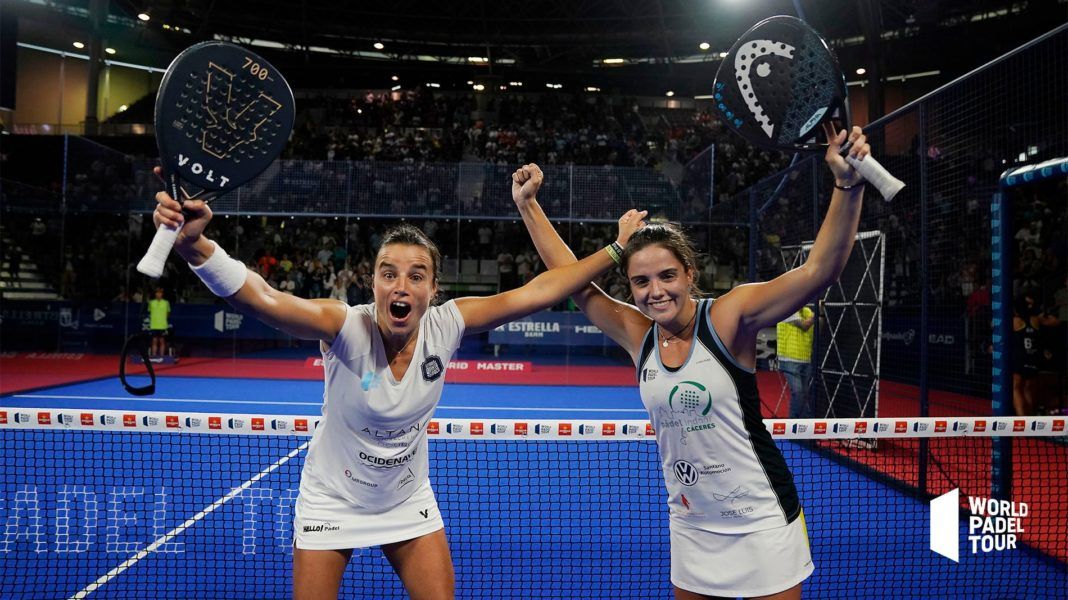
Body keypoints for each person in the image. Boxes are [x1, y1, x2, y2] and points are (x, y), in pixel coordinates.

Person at [148, 166, 646, 600]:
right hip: (331, 499)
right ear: (374, 284)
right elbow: (262, 297)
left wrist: (617, 248)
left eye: (415, 275)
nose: (401, 285)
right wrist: (196, 246)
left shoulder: (446, 325)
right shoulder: (345, 327)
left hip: (406, 499)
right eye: (389, 274)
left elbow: (542, 289)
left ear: (433, 288)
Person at [512, 125, 872, 600]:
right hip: (691, 522)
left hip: (762, 521)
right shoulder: (639, 336)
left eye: (666, 276)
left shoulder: (729, 317)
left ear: (690, 274)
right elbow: (575, 283)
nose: (654, 290)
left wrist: (847, 186)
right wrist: (529, 207)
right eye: (641, 282)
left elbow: (819, 271)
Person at [776, 304, 817, 419]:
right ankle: (793, 427)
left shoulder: (808, 311)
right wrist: (817, 314)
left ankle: (802, 429)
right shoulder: (787, 309)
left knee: (803, 395)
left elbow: (820, 329)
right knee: (798, 393)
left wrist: (821, 313)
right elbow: (805, 326)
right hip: (789, 360)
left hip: (805, 358)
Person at [147, 286, 171, 358]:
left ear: (162, 294)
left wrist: (163, 320)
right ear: (155, 294)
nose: (158, 294)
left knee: (162, 341)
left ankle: (162, 357)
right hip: (154, 325)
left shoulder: (166, 303)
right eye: (157, 293)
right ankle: (154, 356)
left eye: (160, 293)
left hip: (162, 325)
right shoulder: (151, 303)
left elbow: (168, 313)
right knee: (154, 341)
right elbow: (150, 311)